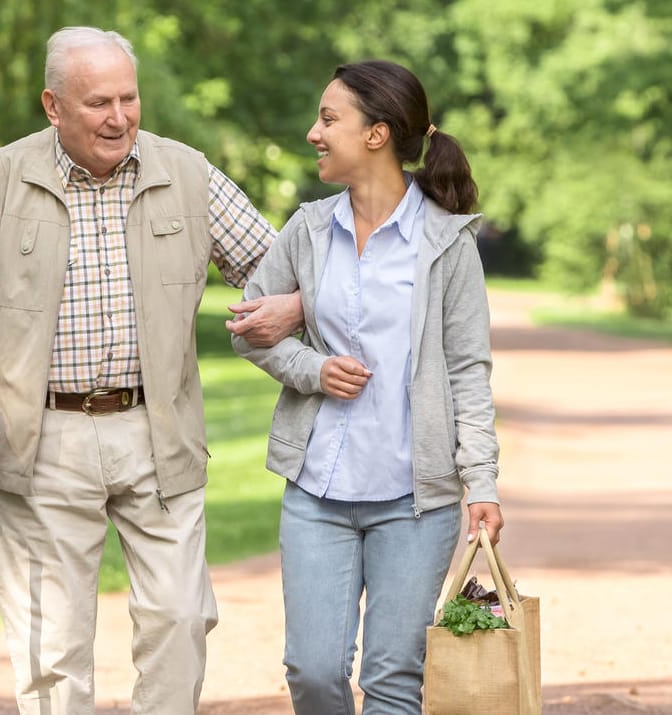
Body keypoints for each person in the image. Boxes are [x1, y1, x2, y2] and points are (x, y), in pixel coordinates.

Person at [0, 26, 301, 714]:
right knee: (51, 648)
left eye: (129, 97)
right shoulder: (1, 179)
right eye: (98, 103)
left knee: (180, 619)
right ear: (52, 106)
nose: (119, 117)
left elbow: (275, 267)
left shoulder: (185, 171)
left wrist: (293, 303)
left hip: (160, 429)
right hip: (41, 438)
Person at [229, 60, 505, 714]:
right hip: (318, 492)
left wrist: (483, 480)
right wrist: (312, 370)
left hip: (417, 500)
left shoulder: (446, 242)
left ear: (377, 133)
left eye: (329, 119)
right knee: (314, 670)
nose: (313, 133)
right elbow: (248, 329)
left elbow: (469, 368)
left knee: (392, 678)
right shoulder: (307, 229)